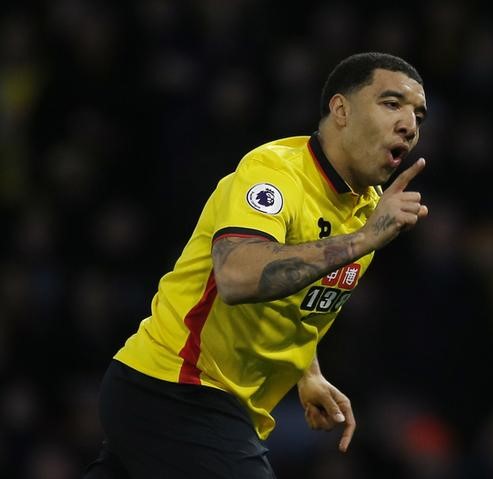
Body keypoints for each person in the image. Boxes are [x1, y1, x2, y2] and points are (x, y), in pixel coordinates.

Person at [83, 51, 429, 478]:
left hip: (212, 405)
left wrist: (307, 371)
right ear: (341, 110)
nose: (409, 125)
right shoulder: (275, 173)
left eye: (418, 115)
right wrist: (363, 240)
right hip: (178, 387)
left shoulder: (367, 210)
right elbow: (237, 276)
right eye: (392, 104)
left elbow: (296, 297)